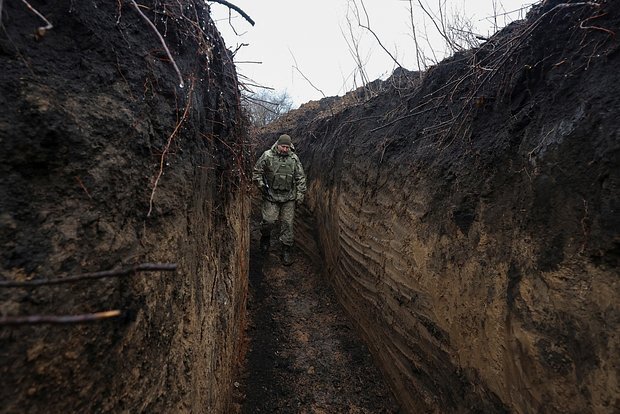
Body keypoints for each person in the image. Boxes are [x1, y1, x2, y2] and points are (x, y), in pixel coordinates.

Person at [252, 134, 307, 265]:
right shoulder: (267, 156)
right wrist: (261, 186)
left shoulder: (294, 159)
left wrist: (300, 194)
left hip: (289, 197)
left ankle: (286, 250)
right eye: (283, 146)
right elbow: (256, 172)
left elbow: (300, 177)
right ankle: (265, 238)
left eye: (287, 147)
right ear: (277, 145)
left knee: (287, 224)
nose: (285, 149)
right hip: (271, 196)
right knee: (269, 221)